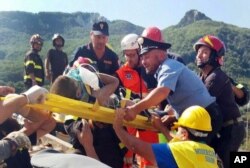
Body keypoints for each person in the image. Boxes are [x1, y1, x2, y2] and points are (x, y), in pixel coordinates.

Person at [123, 27, 223, 147]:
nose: (143, 62)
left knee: (186, 156)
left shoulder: (168, 66)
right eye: (142, 57)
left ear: (160, 55)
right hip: (198, 116)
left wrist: (135, 109)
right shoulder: (165, 69)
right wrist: (171, 117)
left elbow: (162, 92)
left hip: (206, 117)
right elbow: (182, 101)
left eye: (147, 57)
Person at [50, 64, 126, 168]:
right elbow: (114, 82)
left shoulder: (96, 97)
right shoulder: (73, 120)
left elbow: (114, 82)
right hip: (97, 155)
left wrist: (90, 75)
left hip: (110, 150)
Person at [194, 35, 246, 168]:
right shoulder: (202, 77)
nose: (199, 55)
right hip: (221, 128)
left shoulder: (218, 77)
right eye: (198, 52)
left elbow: (244, 94)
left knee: (226, 162)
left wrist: (233, 86)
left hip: (231, 128)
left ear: (215, 57)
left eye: (204, 52)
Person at [114, 105, 218, 168]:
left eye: (178, 129)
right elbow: (180, 145)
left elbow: (134, 146)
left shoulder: (180, 151)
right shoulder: (210, 154)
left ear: (184, 134)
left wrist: (118, 126)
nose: (176, 132)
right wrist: (162, 128)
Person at [115, 33, 158, 168]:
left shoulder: (151, 70)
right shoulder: (121, 74)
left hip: (150, 120)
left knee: (151, 157)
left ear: (140, 53)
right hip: (130, 120)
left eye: (132, 55)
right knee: (127, 157)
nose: (129, 59)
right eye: (127, 55)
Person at [0, 85, 56, 168]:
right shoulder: (18, 135)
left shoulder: (14, 129)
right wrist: (22, 100)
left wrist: (24, 109)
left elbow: (49, 123)